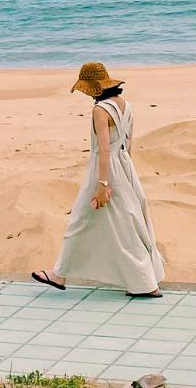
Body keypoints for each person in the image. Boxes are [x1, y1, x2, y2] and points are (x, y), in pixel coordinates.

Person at [31, 61, 165, 298]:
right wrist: (126, 175)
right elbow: (128, 143)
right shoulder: (126, 105)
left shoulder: (100, 110)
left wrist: (103, 184)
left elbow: (104, 149)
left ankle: (145, 283)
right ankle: (61, 273)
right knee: (128, 221)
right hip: (124, 166)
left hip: (104, 169)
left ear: (93, 88)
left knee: (87, 220)